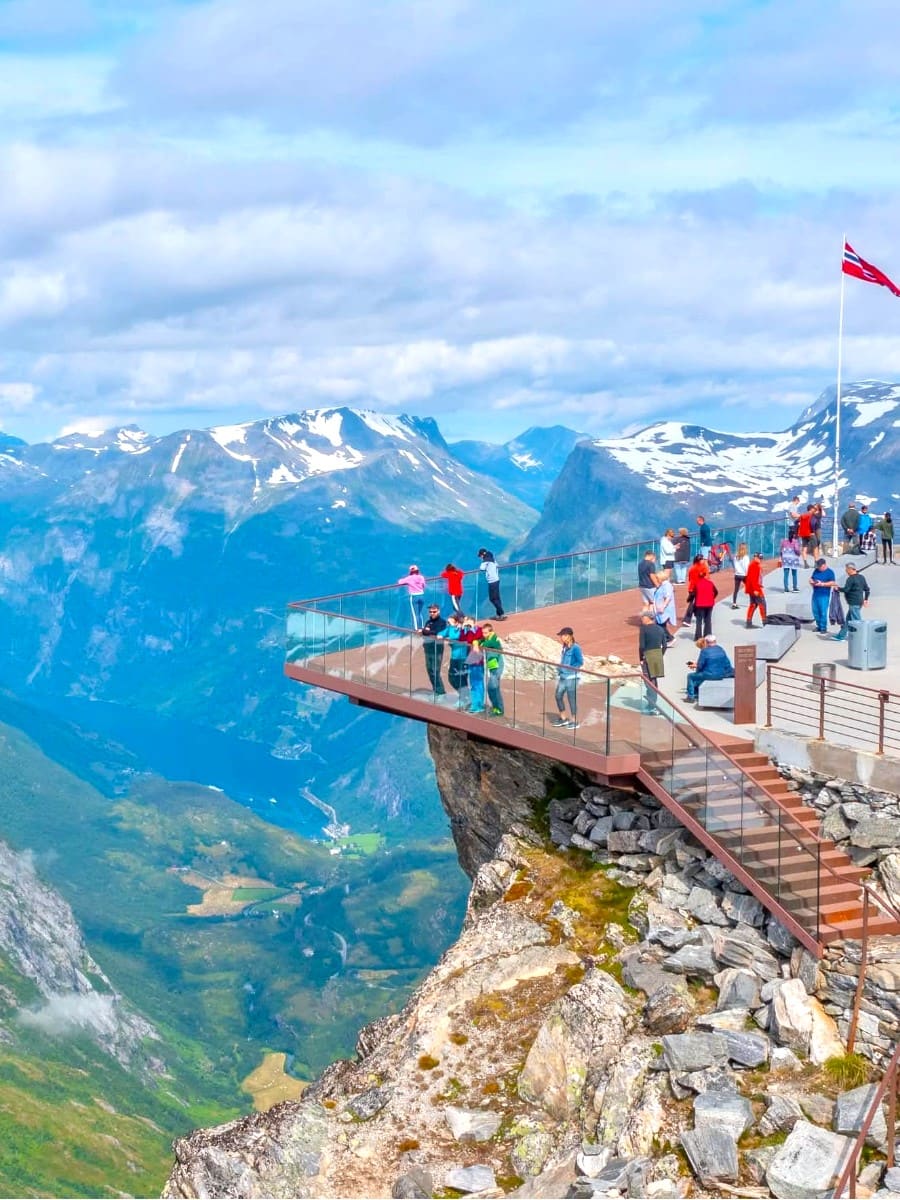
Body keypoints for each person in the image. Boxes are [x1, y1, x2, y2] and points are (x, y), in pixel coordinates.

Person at [685, 635, 734, 702]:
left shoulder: (704, 651)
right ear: (715, 641)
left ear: (706, 642)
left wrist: (695, 667)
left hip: (709, 674)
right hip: (721, 674)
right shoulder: (721, 649)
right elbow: (726, 663)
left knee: (690, 676)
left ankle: (690, 697)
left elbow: (700, 666)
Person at [551, 627, 583, 729]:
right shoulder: (564, 647)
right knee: (558, 696)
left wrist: (570, 668)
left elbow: (580, 662)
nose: (561, 638)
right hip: (563, 676)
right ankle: (563, 718)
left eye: (564, 635)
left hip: (572, 677)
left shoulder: (576, 648)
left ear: (570, 636)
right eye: (561, 636)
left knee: (571, 698)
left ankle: (575, 721)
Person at [437, 614, 469, 707]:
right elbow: (442, 633)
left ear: (456, 622)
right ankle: (465, 695)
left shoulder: (464, 630)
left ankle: (464, 699)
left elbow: (458, 636)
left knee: (462, 678)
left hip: (463, 658)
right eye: (448, 622)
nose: (448, 624)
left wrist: (460, 627)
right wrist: (440, 635)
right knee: (451, 678)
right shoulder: (450, 628)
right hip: (454, 658)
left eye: (450, 623)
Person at [832, 564, 871, 641]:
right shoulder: (861, 577)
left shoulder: (850, 579)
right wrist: (866, 599)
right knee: (848, 620)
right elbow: (867, 589)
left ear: (850, 569)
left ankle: (862, 638)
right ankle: (841, 636)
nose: (846, 571)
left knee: (857, 621)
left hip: (853, 602)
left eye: (846, 569)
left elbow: (846, 590)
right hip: (859, 601)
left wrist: (838, 588)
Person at [639, 614, 667, 715]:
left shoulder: (644, 629)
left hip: (647, 656)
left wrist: (641, 658)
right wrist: (660, 654)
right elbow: (665, 645)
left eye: (643, 618)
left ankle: (652, 705)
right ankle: (653, 703)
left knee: (648, 681)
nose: (642, 620)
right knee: (654, 680)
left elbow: (642, 646)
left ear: (648, 619)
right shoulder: (660, 629)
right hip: (657, 656)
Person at [419, 604, 447, 695]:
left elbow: (437, 632)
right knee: (429, 670)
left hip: (437, 649)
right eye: (430, 612)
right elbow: (426, 632)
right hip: (428, 648)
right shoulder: (428, 622)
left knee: (435, 671)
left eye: (434, 612)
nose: (432, 613)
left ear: (438, 611)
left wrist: (426, 631)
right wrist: (425, 632)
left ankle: (441, 691)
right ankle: (436, 689)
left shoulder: (442, 622)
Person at [480, 621, 505, 715]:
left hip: (497, 667)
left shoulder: (494, 640)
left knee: (492, 688)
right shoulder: (487, 638)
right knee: (493, 688)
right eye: (483, 633)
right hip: (492, 667)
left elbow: (485, 645)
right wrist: (476, 641)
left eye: (486, 633)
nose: (484, 635)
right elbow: (479, 641)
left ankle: (499, 709)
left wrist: (479, 644)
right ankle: (496, 708)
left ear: (491, 632)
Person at [809, 557, 836, 633]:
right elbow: (812, 578)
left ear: (824, 565)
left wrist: (822, 584)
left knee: (823, 611)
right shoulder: (816, 571)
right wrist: (811, 581)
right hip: (815, 594)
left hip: (824, 595)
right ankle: (819, 626)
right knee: (815, 611)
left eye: (819, 567)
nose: (818, 568)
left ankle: (823, 627)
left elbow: (832, 582)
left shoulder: (830, 572)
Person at [477, 548, 505, 619]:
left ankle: (501, 613)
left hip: (492, 581)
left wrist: (484, 563)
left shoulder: (486, 560)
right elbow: (497, 565)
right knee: (497, 598)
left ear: (483, 554)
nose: (480, 557)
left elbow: (481, 568)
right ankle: (499, 615)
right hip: (496, 580)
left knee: (492, 599)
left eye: (480, 556)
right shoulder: (492, 559)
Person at [683, 553, 709, 628]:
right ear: (699, 560)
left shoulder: (692, 568)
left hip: (691, 588)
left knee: (693, 603)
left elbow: (690, 579)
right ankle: (691, 619)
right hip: (699, 588)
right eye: (702, 559)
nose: (704, 560)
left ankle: (688, 619)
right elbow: (706, 578)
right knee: (700, 604)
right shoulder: (703, 568)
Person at [397, 564, 427, 630]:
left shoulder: (409, 578)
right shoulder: (421, 577)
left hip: (414, 597)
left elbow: (400, 582)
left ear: (410, 571)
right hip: (421, 595)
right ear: (417, 571)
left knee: (415, 614)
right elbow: (424, 586)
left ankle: (416, 629)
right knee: (419, 613)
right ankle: (421, 627)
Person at [652, 568, 677, 641]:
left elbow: (668, 597)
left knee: (661, 624)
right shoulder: (663, 585)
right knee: (660, 624)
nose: (657, 580)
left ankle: (669, 638)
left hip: (665, 609)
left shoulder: (667, 585)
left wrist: (663, 606)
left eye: (657, 578)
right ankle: (666, 638)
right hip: (660, 608)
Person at [691, 569, 717, 640]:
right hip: (709, 604)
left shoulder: (697, 584)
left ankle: (698, 637)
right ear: (705, 575)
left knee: (699, 621)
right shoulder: (710, 583)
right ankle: (708, 635)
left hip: (699, 604)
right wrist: (712, 598)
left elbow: (693, 594)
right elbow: (716, 592)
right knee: (708, 620)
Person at [744, 552, 767, 628]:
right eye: (759, 558)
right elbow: (754, 579)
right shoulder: (755, 566)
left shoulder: (753, 565)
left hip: (752, 589)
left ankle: (749, 622)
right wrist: (756, 589)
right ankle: (765, 622)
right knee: (762, 604)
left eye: (761, 559)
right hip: (755, 589)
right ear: (755, 557)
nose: (760, 560)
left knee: (753, 605)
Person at [638, 550, 661, 614]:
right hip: (650, 586)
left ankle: (644, 618)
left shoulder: (640, 563)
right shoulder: (651, 564)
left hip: (642, 586)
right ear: (651, 556)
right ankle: (652, 617)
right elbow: (652, 576)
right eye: (654, 558)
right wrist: (657, 585)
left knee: (646, 603)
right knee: (653, 602)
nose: (654, 560)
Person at [731, 541, 750, 609]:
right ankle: (752, 602)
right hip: (744, 575)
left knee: (736, 590)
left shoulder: (736, 556)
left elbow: (735, 565)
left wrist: (737, 571)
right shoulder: (746, 557)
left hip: (737, 575)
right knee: (750, 589)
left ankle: (734, 604)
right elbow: (746, 567)